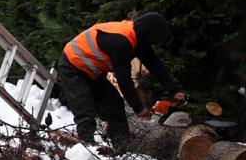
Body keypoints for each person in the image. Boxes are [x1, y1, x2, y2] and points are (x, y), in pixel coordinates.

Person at [57, 12, 186, 150]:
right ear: (149, 35)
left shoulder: (138, 39)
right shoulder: (121, 41)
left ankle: (121, 145)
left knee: (115, 103)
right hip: (72, 66)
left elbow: (155, 65)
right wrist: (138, 108)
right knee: (84, 107)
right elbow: (124, 80)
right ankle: (87, 147)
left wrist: (174, 90)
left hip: (91, 72)